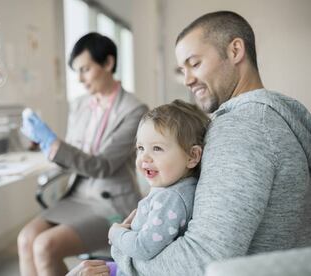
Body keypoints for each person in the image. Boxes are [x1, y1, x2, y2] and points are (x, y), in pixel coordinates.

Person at [68, 10, 311, 276]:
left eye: (194, 64)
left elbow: (201, 259)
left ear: (235, 51)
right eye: (182, 70)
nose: (187, 80)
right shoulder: (277, 114)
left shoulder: (242, 130)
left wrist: (121, 259)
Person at [18, 32, 148, 276]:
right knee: (26, 239)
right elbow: (73, 154)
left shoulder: (134, 110)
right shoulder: (79, 105)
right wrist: (44, 145)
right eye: (76, 71)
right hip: (77, 196)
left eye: (85, 69)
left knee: (45, 246)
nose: (79, 79)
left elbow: (102, 166)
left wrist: (55, 144)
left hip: (112, 205)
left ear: (108, 64)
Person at [108, 100, 210, 275]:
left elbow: (143, 248)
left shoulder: (171, 198)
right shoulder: (172, 188)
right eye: (140, 148)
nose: (144, 158)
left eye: (157, 148)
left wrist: (115, 234)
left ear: (192, 156)